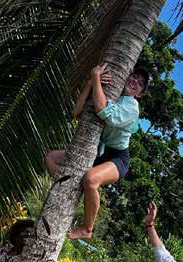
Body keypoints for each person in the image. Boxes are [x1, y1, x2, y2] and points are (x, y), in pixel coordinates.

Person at [44, 63, 149, 240]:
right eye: (134, 76)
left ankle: (87, 229)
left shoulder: (132, 107)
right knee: (51, 157)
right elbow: (77, 112)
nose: (134, 81)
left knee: (91, 179)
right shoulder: (111, 92)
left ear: (139, 94)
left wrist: (95, 77)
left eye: (139, 83)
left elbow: (103, 111)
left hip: (117, 158)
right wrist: (90, 84)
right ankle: (70, 185)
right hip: (96, 150)